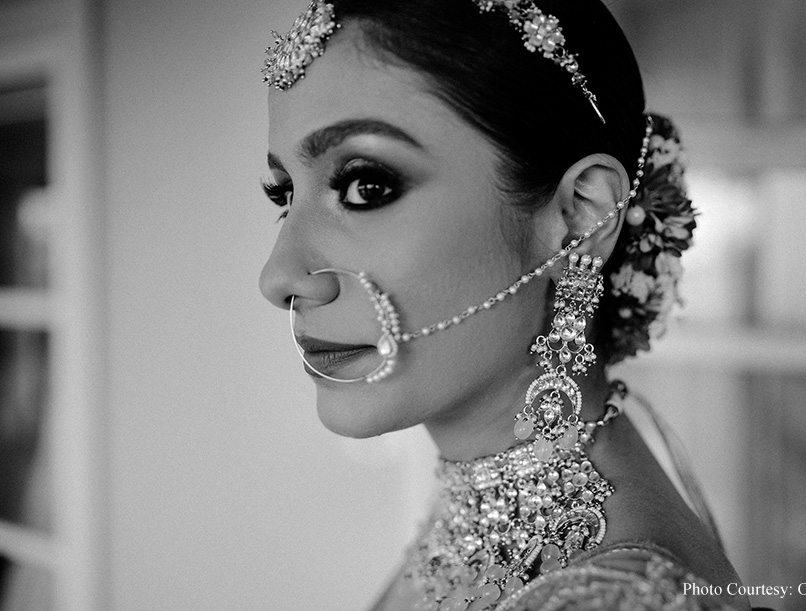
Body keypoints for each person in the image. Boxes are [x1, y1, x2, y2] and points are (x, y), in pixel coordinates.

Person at [258, 1, 752, 609]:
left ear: (581, 215)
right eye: (285, 195)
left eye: (366, 186)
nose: (279, 278)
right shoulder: (478, 508)